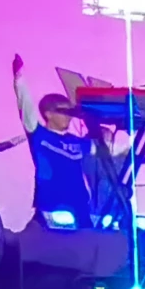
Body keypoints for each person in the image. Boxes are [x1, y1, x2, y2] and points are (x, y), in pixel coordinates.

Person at [12, 54, 99, 228]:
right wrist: (19, 78)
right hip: (51, 204)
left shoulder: (79, 142)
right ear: (48, 114)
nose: (68, 116)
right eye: (62, 112)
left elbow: (112, 149)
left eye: (70, 112)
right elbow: (25, 107)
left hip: (80, 205)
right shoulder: (40, 136)